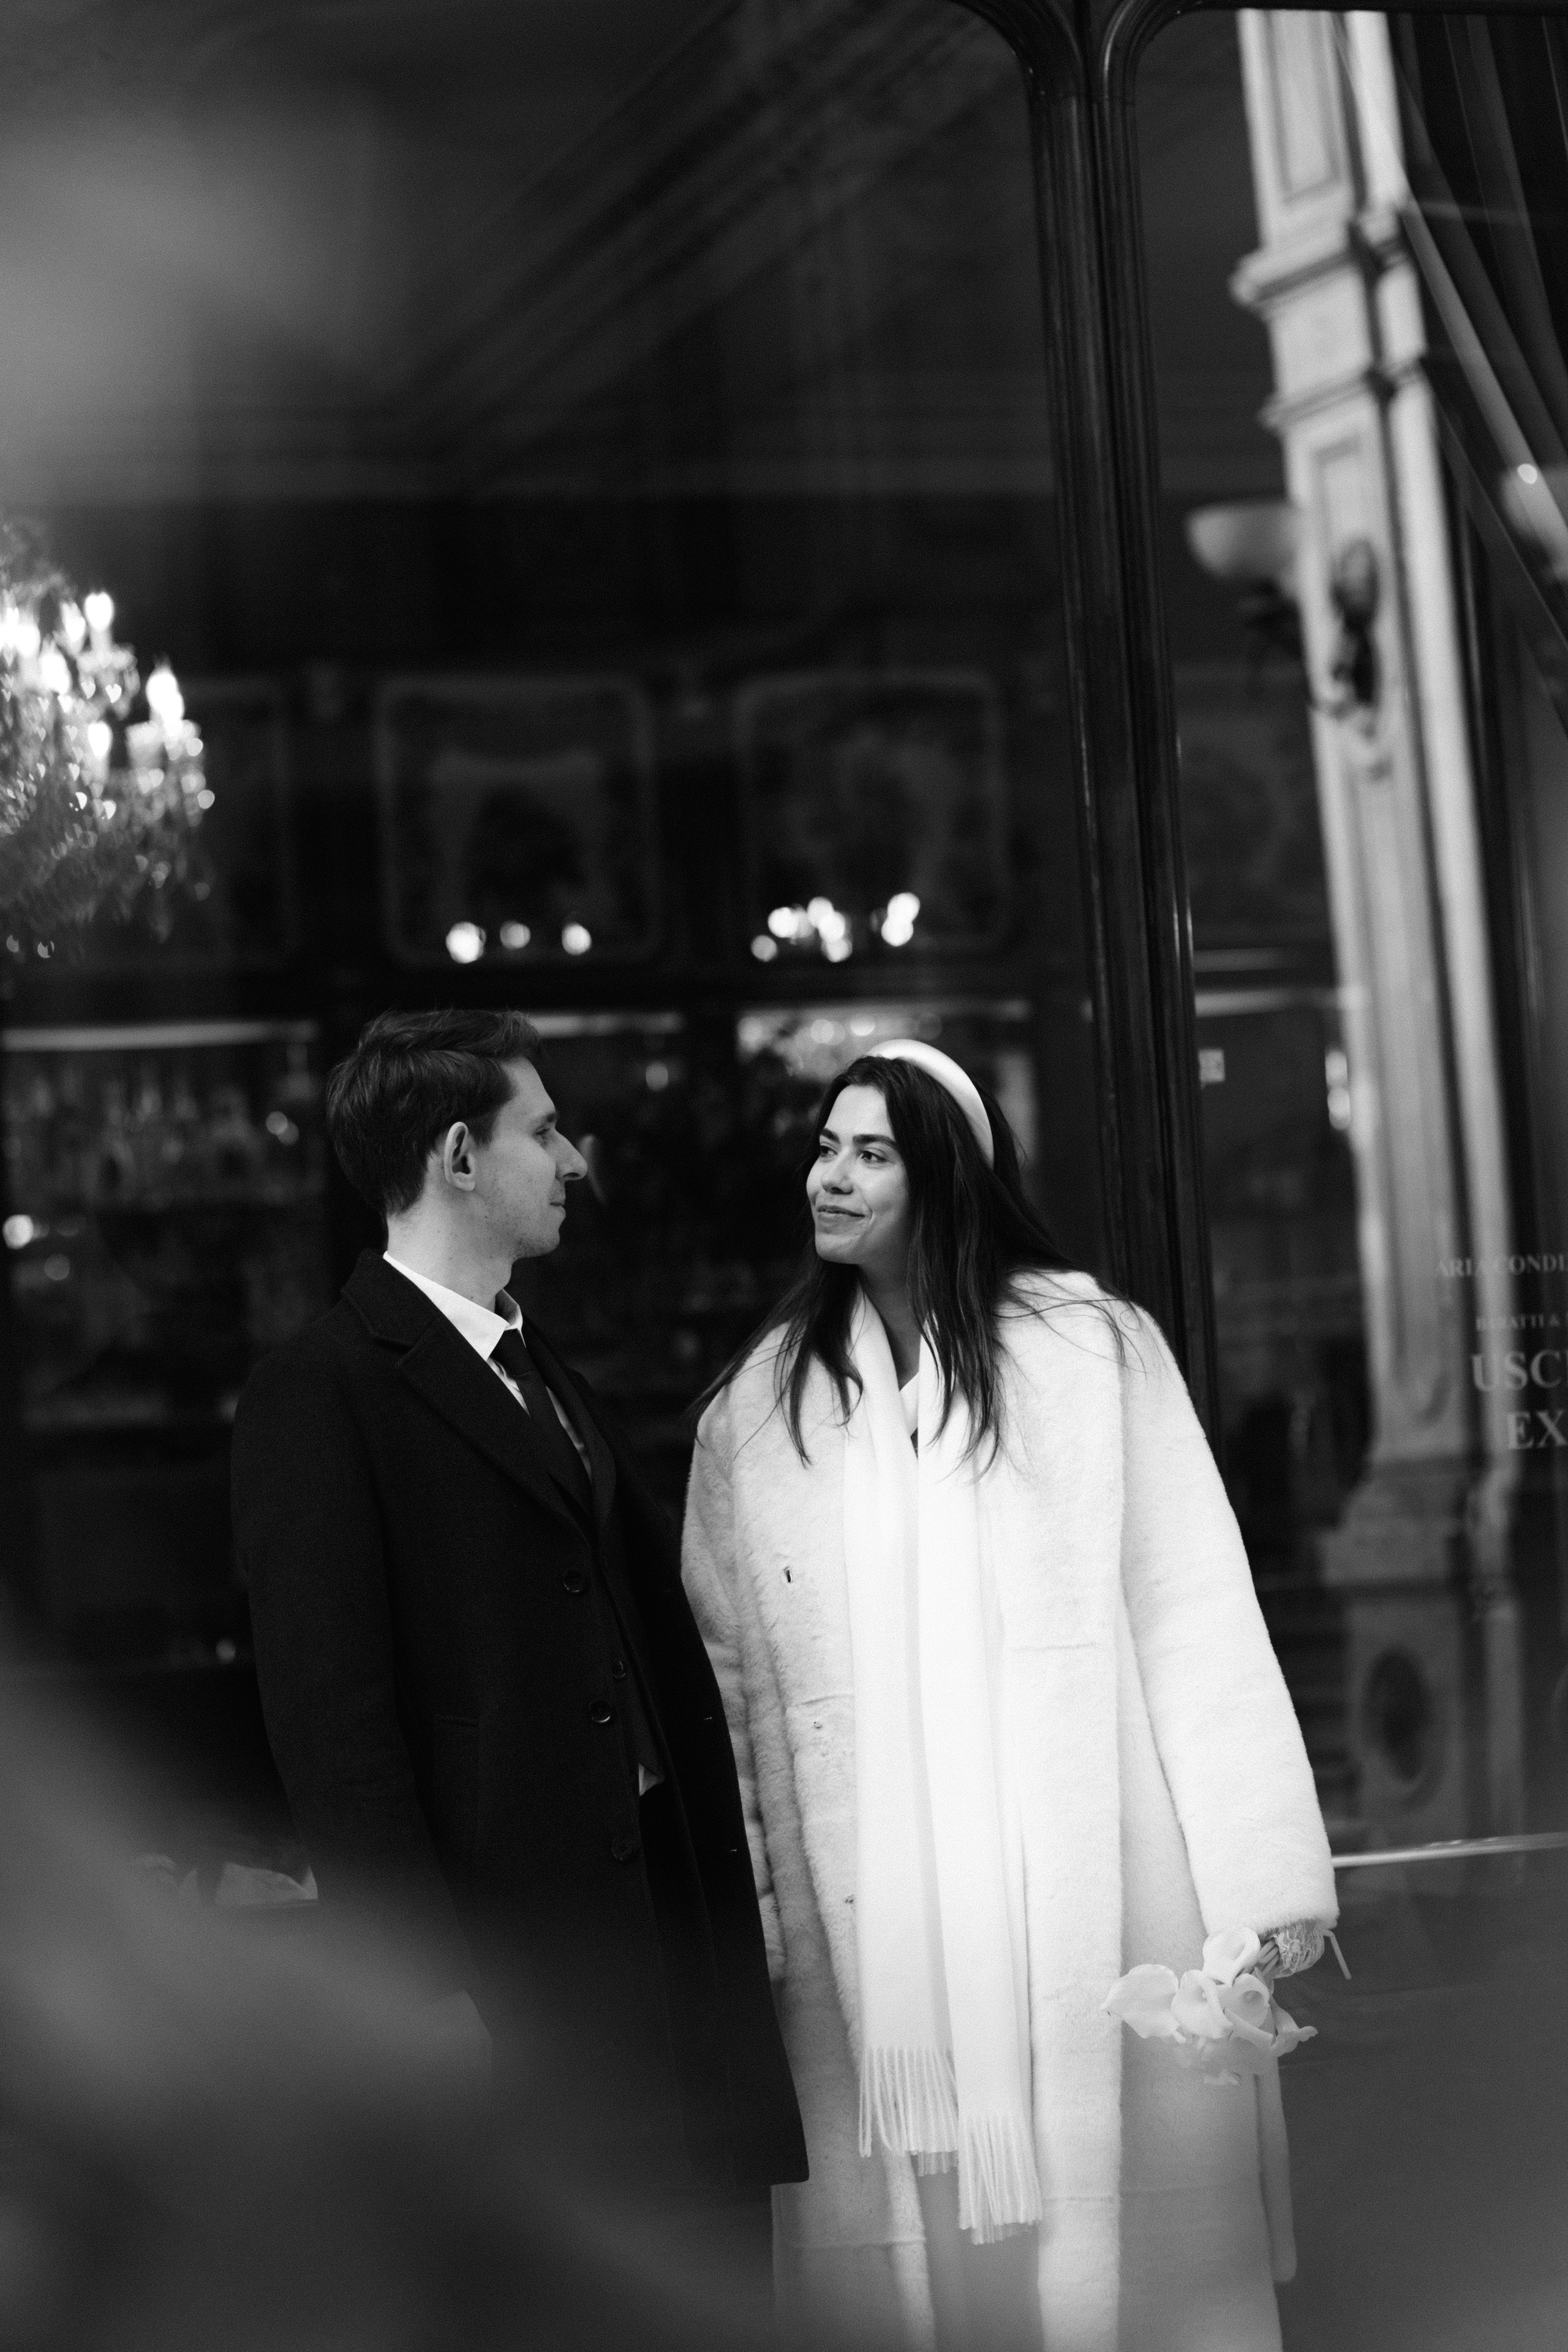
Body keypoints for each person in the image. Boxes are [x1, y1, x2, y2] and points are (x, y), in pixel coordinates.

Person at [682, 1040, 1337, 2352]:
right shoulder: (758, 1416)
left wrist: (1263, 1889)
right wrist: (751, 1919)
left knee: (1114, 2253)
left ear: (947, 1176)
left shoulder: (1091, 1360)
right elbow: (730, 1693)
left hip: (1082, 1893)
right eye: (824, 1146)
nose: (832, 1174)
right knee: (921, 2278)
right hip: (877, 1934)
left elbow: (1194, 1615)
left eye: (871, 1151)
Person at [230, 1008, 807, 2246]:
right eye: (542, 1131)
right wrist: (422, 1986)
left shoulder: (547, 1373)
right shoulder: (319, 1391)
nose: (574, 1160)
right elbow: (334, 1728)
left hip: (664, 1954)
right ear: (455, 1156)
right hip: (511, 1981)